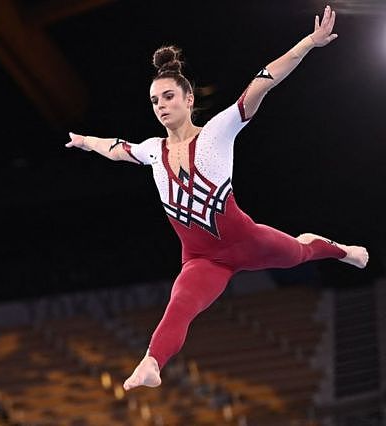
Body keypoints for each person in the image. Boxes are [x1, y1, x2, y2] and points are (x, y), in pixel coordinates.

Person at [65, 5, 368, 391]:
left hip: (247, 241)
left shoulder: (216, 132)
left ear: (189, 99)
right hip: (203, 259)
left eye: (169, 96)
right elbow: (115, 147)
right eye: (155, 100)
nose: (161, 105)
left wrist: (309, 43)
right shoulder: (152, 150)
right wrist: (85, 142)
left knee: (300, 252)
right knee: (181, 303)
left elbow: (264, 81)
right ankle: (151, 362)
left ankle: (345, 251)